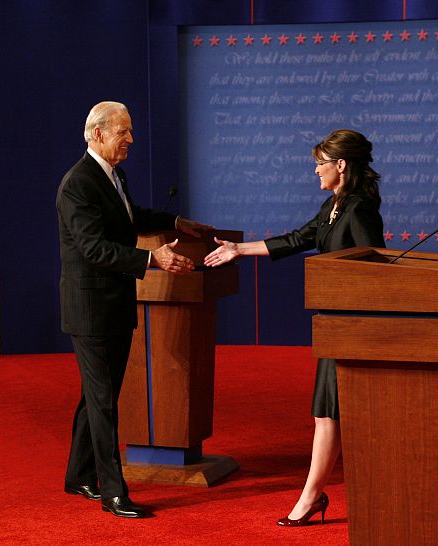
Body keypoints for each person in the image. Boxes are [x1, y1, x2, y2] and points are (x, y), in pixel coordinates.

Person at [203, 129, 385, 526]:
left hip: (351, 325)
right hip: (333, 324)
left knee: (331, 415)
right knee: (327, 414)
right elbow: (298, 239)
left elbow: (376, 267)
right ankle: (313, 496)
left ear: (341, 165)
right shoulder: (333, 205)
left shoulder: (359, 208)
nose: (315, 171)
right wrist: (239, 250)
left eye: (320, 164)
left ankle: (311, 498)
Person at [56, 101, 212, 518]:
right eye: (122, 132)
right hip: (90, 309)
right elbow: (93, 248)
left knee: (98, 395)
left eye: (129, 131)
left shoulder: (113, 175)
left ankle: (78, 475)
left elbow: (129, 217)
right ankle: (113, 493)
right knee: (104, 401)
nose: (131, 139)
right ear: (98, 134)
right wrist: (151, 258)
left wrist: (175, 222)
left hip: (114, 303)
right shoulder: (77, 184)